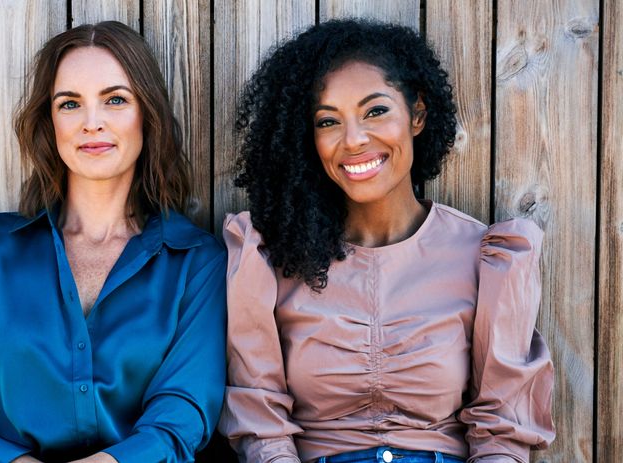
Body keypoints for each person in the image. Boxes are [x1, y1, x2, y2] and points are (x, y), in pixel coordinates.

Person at [218, 19, 555, 463]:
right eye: (328, 121)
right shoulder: (270, 257)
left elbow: (503, 433)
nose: (354, 139)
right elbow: (260, 425)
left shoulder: (489, 258)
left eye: (375, 111)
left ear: (416, 114)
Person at [0, 21, 226, 463]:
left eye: (115, 100)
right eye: (70, 104)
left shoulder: (196, 263)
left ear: (147, 114)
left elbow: (182, 418)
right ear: (51, 120)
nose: (91, 123)